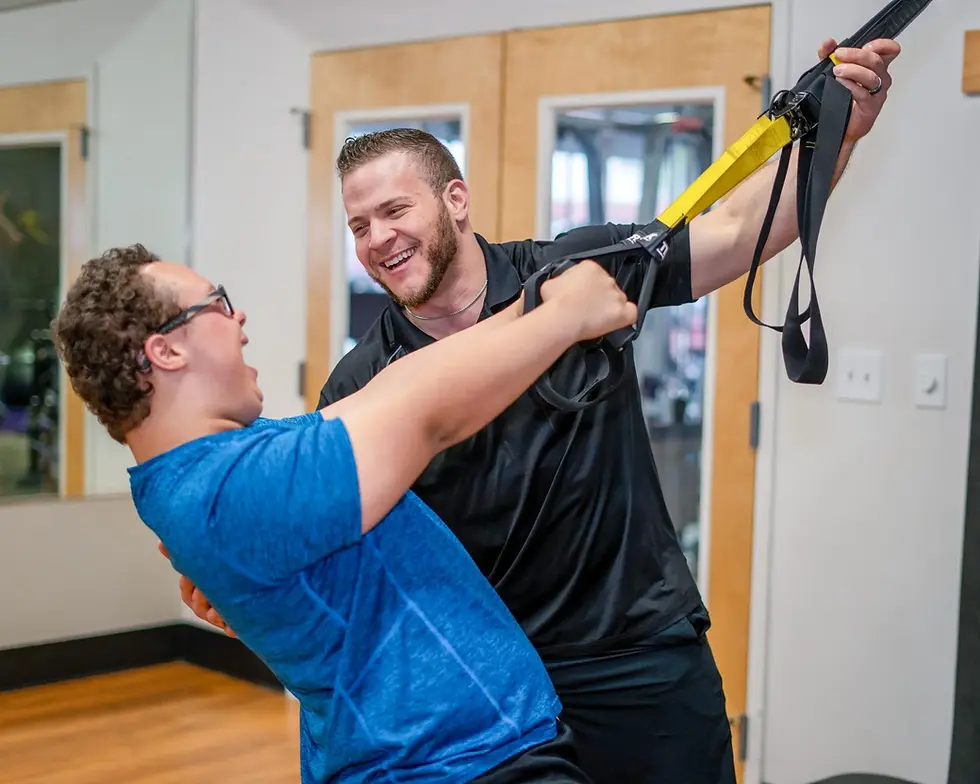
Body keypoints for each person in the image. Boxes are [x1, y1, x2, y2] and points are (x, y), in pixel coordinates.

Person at [173, 37, 901, 783]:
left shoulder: (575, 273)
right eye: (359, 225)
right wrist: (243, 586)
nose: (377, 239)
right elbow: (337, 545)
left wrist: (838, 125)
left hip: (639, 656)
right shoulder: (363, 383)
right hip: (491, 689)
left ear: (455, 199)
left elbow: (742, 229)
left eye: (394, 210)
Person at [51, 243, 643, 783]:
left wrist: (525, 310)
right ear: (166, 349)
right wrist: (566, 318)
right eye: (218, 305)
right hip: (453, 766)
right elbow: (425, 418)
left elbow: (390, 394)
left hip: (460, 753)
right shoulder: (231, 489)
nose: (240, 320)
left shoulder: (223, 462)